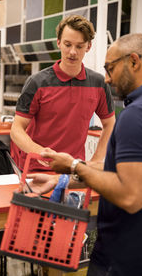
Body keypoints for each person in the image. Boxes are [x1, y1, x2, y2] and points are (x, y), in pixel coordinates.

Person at [27, 33, 142, 276]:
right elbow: (125, 171)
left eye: (110, 67)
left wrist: (73, 165)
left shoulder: (138, 115)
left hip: (120, 263)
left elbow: (130, 195)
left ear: (134, 61)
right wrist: (62, 178)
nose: (107, 77)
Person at [10, 15, 115, 172]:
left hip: (74, 170)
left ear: (88, 46)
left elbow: (110, 124)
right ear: (58, 42)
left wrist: (96, 160)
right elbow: (16, 129)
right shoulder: (37, 82)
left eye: (79, 46)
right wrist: (42, 153)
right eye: (67, 44)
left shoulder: (98, 83)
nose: (72, 52)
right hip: (37, 169)